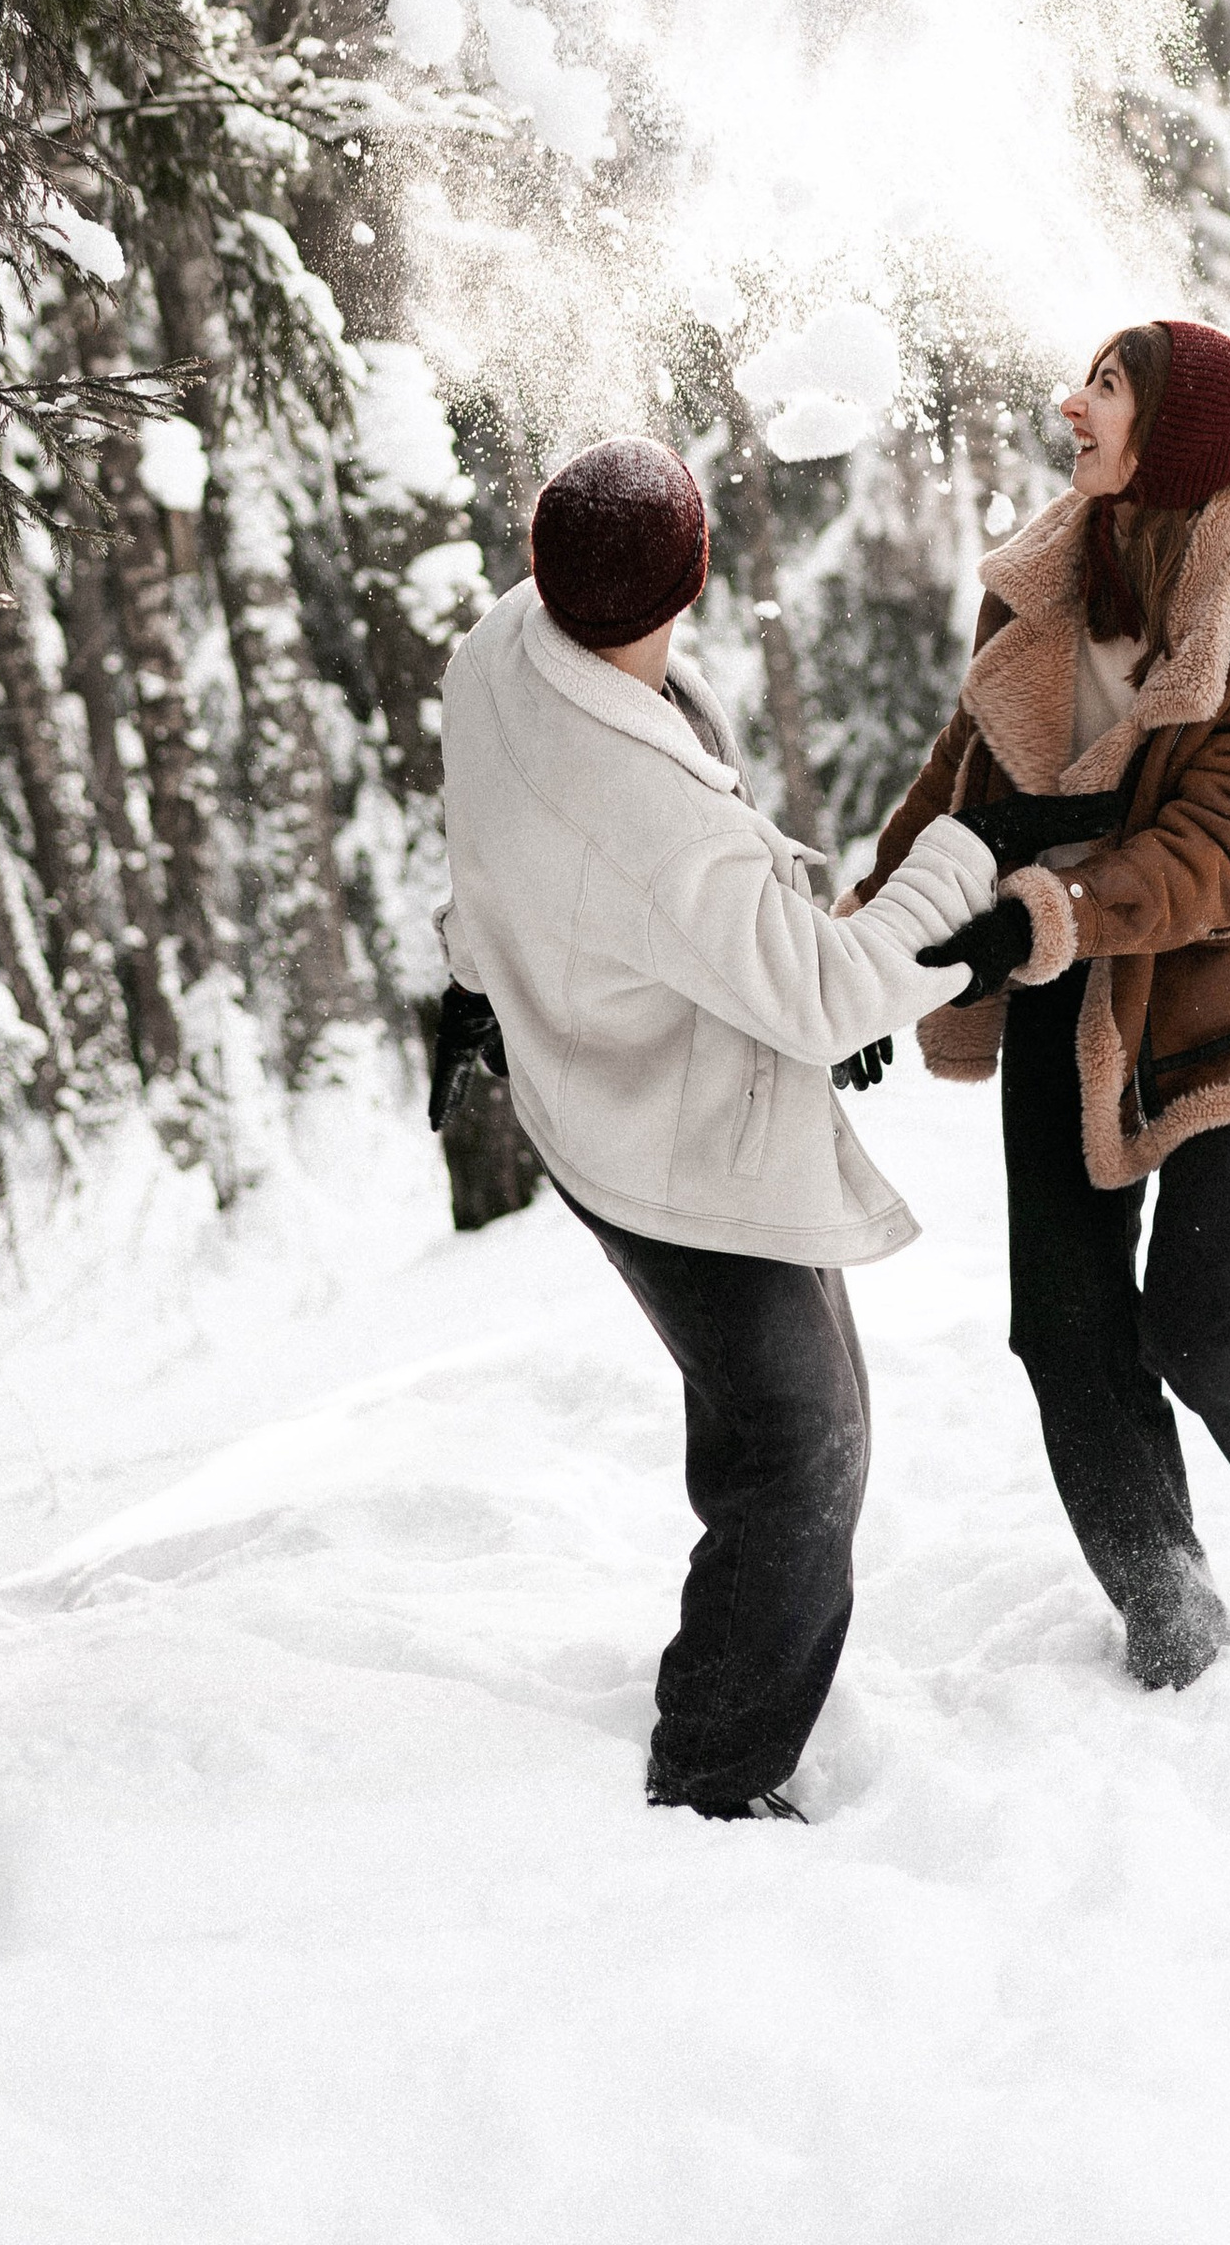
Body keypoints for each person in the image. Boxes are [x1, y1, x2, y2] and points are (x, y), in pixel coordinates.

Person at [857, 320, 1230, 1690]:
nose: (1071, 405)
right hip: (1061, 993)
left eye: (1106, 390)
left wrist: (1058, 912)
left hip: (1222, 996)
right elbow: (959, 786)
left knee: (1202, 1309)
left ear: (1169, 434)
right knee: (1062, 1318)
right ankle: (1164, 1596)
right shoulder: (1046, 591)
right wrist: (863, 968)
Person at [428, 434, 1005, 1818]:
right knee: (807, 1443)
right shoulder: (636, 803)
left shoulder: (504, 645)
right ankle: (714, 1777)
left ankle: (724, 1728)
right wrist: (963, 875)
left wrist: (466, 975)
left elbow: (494, 847)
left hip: (608, 1076)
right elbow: (816, 992)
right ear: (691, 581)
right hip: (668, 1152)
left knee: (767, 1422)